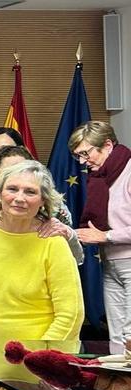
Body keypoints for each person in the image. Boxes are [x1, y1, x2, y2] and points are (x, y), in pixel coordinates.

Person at [0, 161, 83, 380]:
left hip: (37, 366)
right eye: (12, 189)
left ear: (43, 200)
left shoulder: (53, 241)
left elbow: (71, 314)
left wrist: (44, 359)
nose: (19, 198)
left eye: (30, 192)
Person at [71, 121, 131, 353]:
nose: (83, 162)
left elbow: (104, 232)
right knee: (115, 334)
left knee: (130, 333)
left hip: (126, 260)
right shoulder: (100, 178)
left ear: (107, 145)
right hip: (110, 262)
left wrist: (105, 236)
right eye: (78, 156)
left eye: (85, 153)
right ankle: (115, 386)